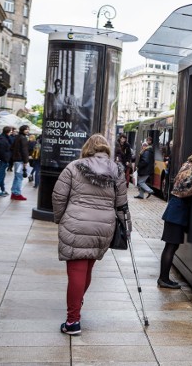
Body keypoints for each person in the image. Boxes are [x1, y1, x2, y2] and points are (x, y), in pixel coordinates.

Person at [52, 134, 129, 336]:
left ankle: (72, 322)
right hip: (103, 226)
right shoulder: (117, 171)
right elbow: (121, 203)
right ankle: (77, 304)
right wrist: (125, 227)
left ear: (87, 148)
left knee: (76, 272)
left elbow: (59, 196)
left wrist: (60, 219)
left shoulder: (74, 167)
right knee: (86, 270)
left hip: (76, 224)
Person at [158, 149, 192, 289]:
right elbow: (184, 189)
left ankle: (163, 278)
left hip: (175, 211)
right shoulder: (191, 168)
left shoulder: (187, 165)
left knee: (171, 246)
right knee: (171, 246)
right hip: (176, 212)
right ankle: (163, 279)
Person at [10, 125, 30, 201]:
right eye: (26, 129)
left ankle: (14, 193)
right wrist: (26, 161)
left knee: (16, 177)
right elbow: (24, 151)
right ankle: (17, 194)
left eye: (28, 129)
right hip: (20, 160)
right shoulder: (23, 138)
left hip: (16, 160)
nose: (27, 130)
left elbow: (11, 147)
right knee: (19, 178)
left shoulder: (17, 137)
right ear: (22, 130)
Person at [0, 126, 13, 196]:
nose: (11, 132)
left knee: (2, 175)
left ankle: (2, 189)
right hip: (2, 160)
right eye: (11, 131)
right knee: (1, 175)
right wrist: (6, 160)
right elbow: (2, 151)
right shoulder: (3, 139)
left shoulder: (4, 138)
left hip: (3, 159)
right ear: (8, 131)